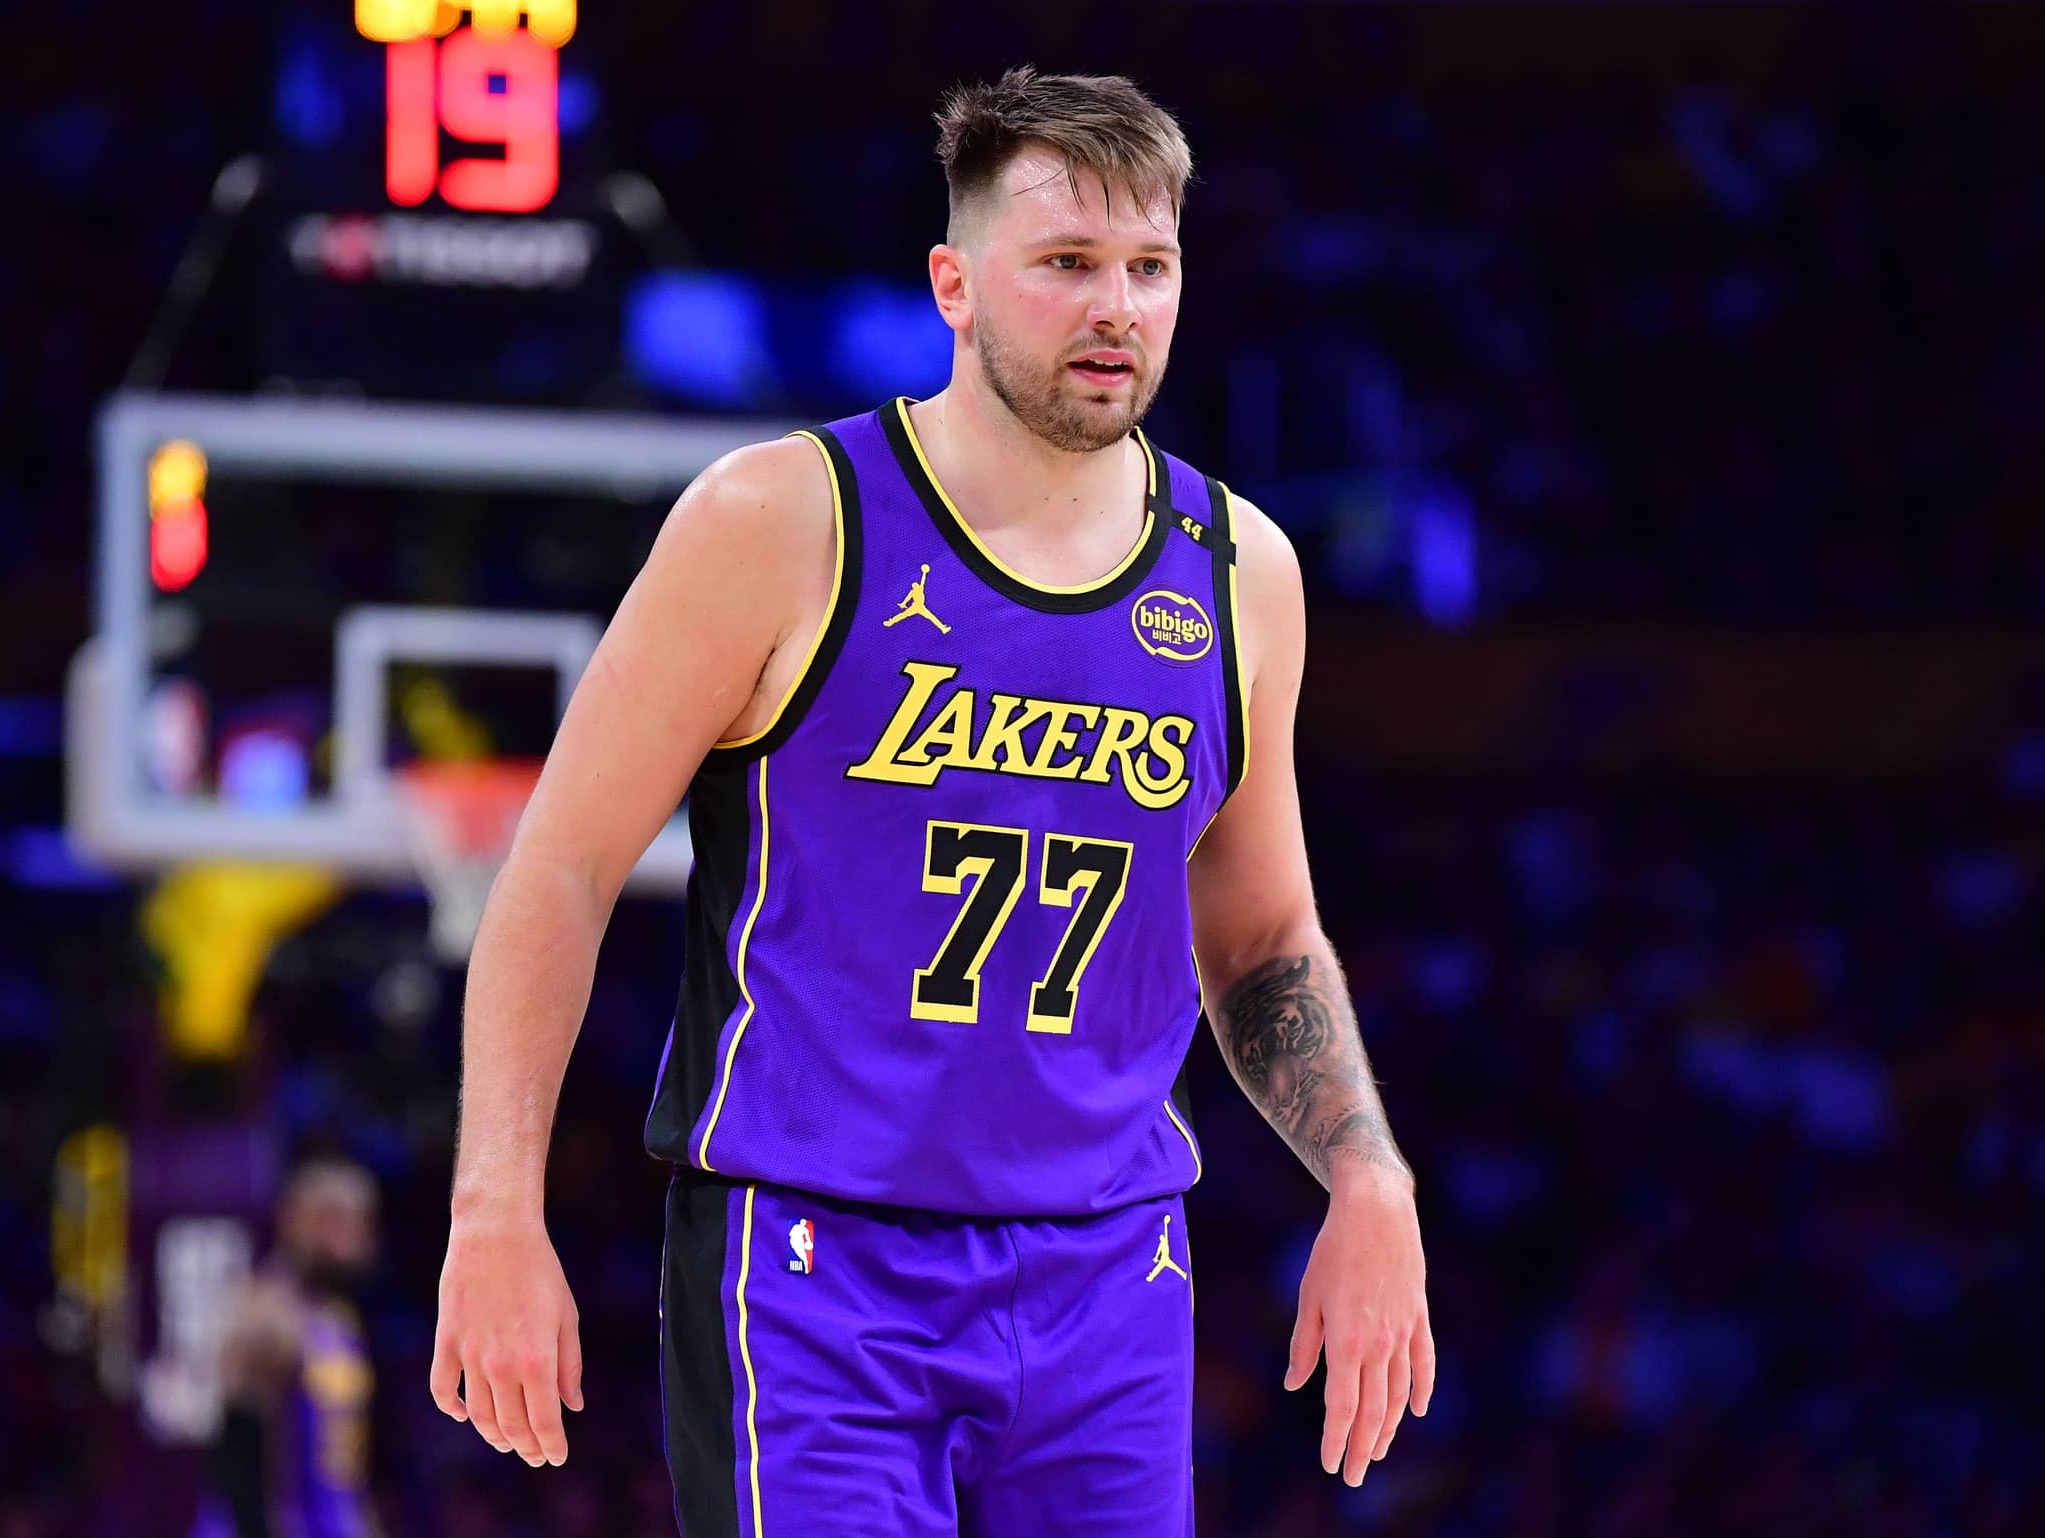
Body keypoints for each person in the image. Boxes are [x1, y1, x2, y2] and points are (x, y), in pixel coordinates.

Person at [431, 66, 1435, 1535]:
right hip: (813, 1262)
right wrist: (490, 1208)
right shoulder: (778, 521)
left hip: (1109, 1270)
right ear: (953, 283)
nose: (1116, 308)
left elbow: (1262, 928)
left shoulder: (1238, 572)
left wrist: (1366, 1175)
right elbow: (562, 866)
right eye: (1067, 265)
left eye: (1148, 267)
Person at [199, 1159, 386, 1538]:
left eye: (355, 1222)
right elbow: (238, 1441)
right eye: (331, 1220)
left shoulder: (336, 1316)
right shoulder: (268, 1308)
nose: (346, 1239)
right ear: (292, 1218)